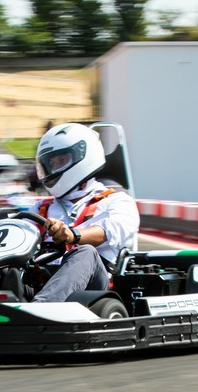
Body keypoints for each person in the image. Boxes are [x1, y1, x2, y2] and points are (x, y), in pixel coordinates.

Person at [27, 122, 139, 302]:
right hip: (45, 279)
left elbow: (108, 231)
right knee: (9, 264)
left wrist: (73, 235)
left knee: (85, 252)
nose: (55, 168)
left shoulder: (117, 201)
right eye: (51, 163)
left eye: (62, 161)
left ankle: (40, 310)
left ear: (84, 157)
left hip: (94, 288)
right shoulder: (40, 208)